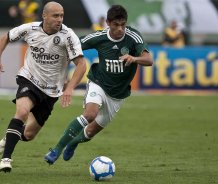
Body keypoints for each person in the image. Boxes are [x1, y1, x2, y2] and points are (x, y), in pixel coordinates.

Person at [44, 4, 153, 165]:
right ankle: (56, 150)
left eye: (123, 24)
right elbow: (73, 47)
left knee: (91, 132)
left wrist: (134, 58)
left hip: (118, 94)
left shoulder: (133, 37)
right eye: (116, 25)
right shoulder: (99, 37)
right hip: (98, 83)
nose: (120, 29)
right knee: (90, 114)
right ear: (108, 23)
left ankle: (73, 143)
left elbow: (149, 60)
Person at [0, 1, 86, 172]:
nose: (59, 19)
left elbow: (81, 64)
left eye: (61, 15)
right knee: (22, 112)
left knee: (28, 134)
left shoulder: (68, 35)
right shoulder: (29, 29)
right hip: (29, 80)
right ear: (44, 16)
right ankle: (6, 159)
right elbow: (5, 37)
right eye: (56, 15)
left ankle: (10, 135)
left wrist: (70, 88)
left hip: (51, 91)